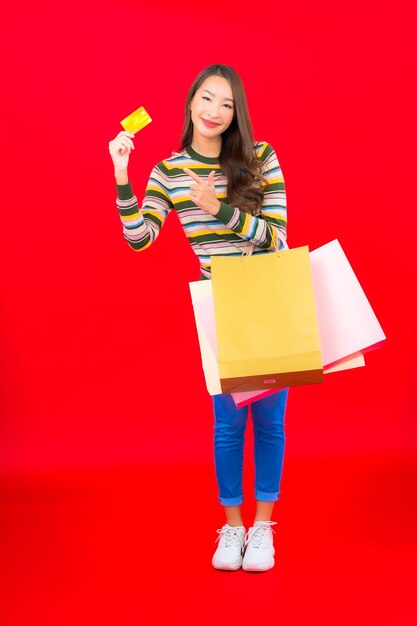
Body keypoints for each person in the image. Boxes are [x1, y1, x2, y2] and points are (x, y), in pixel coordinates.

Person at [108, 64, 289, 572]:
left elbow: (278, 237)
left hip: (270, 296)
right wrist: (122, 176)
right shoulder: (168, 170)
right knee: (228, 423)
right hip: (220, 302)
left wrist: (221, 211)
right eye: (206, 99)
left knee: (270, 423)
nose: (214, 111)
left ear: (236, 115)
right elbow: (140, 238)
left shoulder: (260, 158)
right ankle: (232, 528)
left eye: (226, 104)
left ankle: (263, 529)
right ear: (190, 102)